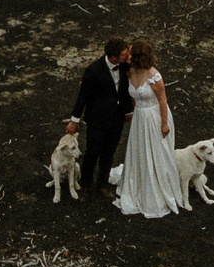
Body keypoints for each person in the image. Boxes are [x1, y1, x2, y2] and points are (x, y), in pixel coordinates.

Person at [113, 39, 189, 219]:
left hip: (155, 116)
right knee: (140, 151)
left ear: (139, 56)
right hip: (140, 117)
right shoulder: (130, 72)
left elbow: (163, 100)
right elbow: (133, 96)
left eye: (131, 53)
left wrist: (164, 123)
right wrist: (133, 112)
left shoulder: (154, 76)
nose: (128, 56)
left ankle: (159, 187)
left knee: (157, 151)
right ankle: (139, 184)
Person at [65, 36, 132, 202]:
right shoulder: (93, 70)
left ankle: (102, 184)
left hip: (117, 118)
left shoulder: (125, 66)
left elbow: (124, 91)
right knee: (92, 152)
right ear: (113, 57)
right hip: (97, 119)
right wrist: (74, 120)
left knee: (109, 151)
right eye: (124, 54)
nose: (127, 55)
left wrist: (128, 112)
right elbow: (83, 97)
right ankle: (86, 184)